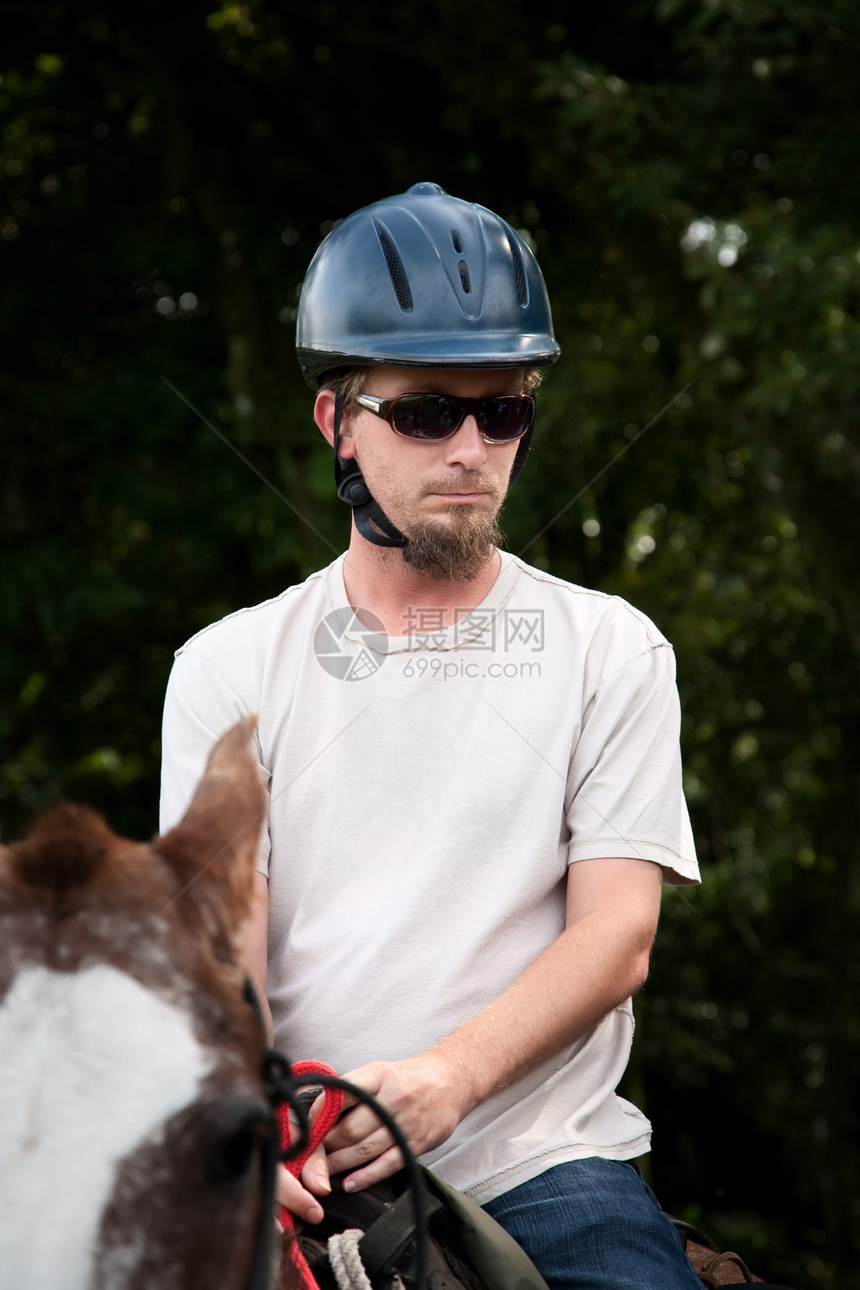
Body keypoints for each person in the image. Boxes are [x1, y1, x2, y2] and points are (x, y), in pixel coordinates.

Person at [160, 182, 702, 1289]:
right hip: (305, 1157)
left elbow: (617, 937)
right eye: (424, 413)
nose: (469, 448)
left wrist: (449, 1078)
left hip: (543, 1166)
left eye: (500, 411)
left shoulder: (612, 648)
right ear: (337, 426)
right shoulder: (226, 666)